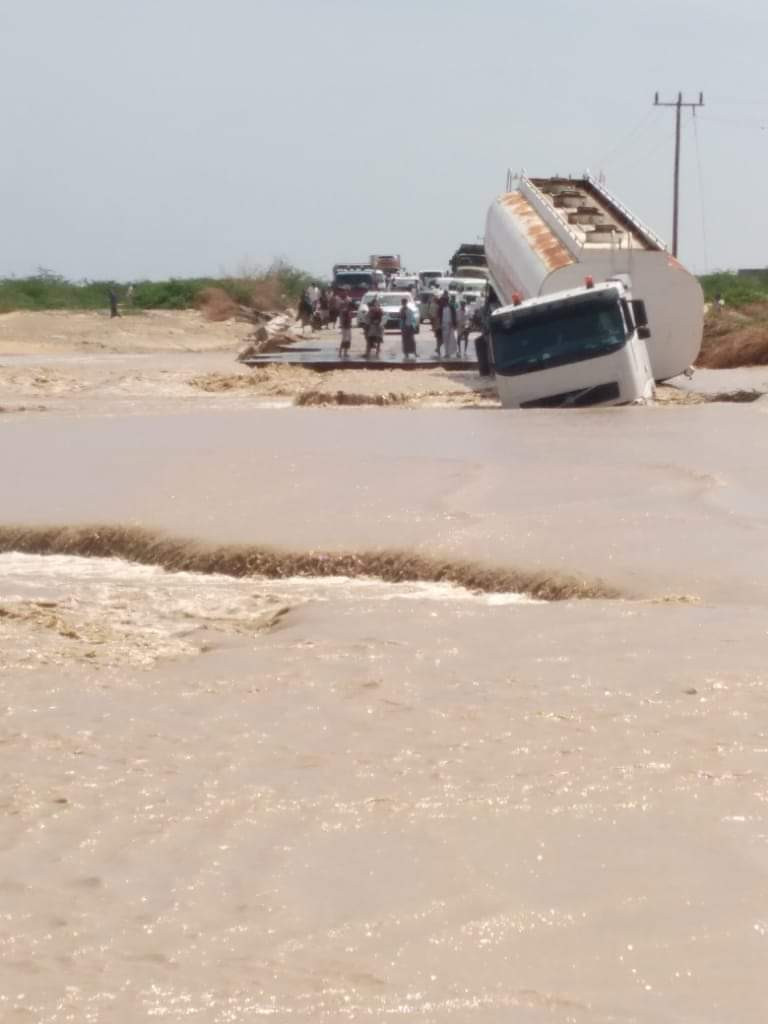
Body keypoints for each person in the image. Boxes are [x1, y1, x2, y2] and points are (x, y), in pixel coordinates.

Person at [439, 290, 458, 358]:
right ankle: (446, 352)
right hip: (444, 325)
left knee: (451, 339)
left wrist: (454, 323)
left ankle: (451, 352)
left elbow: (454, 315)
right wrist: (440, 324)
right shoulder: (441, 308)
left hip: (450, 325)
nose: (443, 301)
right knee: (445, 339)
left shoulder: (451, 307)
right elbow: (440, 316)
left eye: (444, 300)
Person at [429, 292, 442, 357]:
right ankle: (438, 348)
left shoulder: (433, 305)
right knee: (440, 337)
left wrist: (432, 324)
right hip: (437, 323)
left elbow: (430, 315)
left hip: (436, 323)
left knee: (438, 337)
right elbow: (432, 315)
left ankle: (438, 348)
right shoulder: (437, 306)